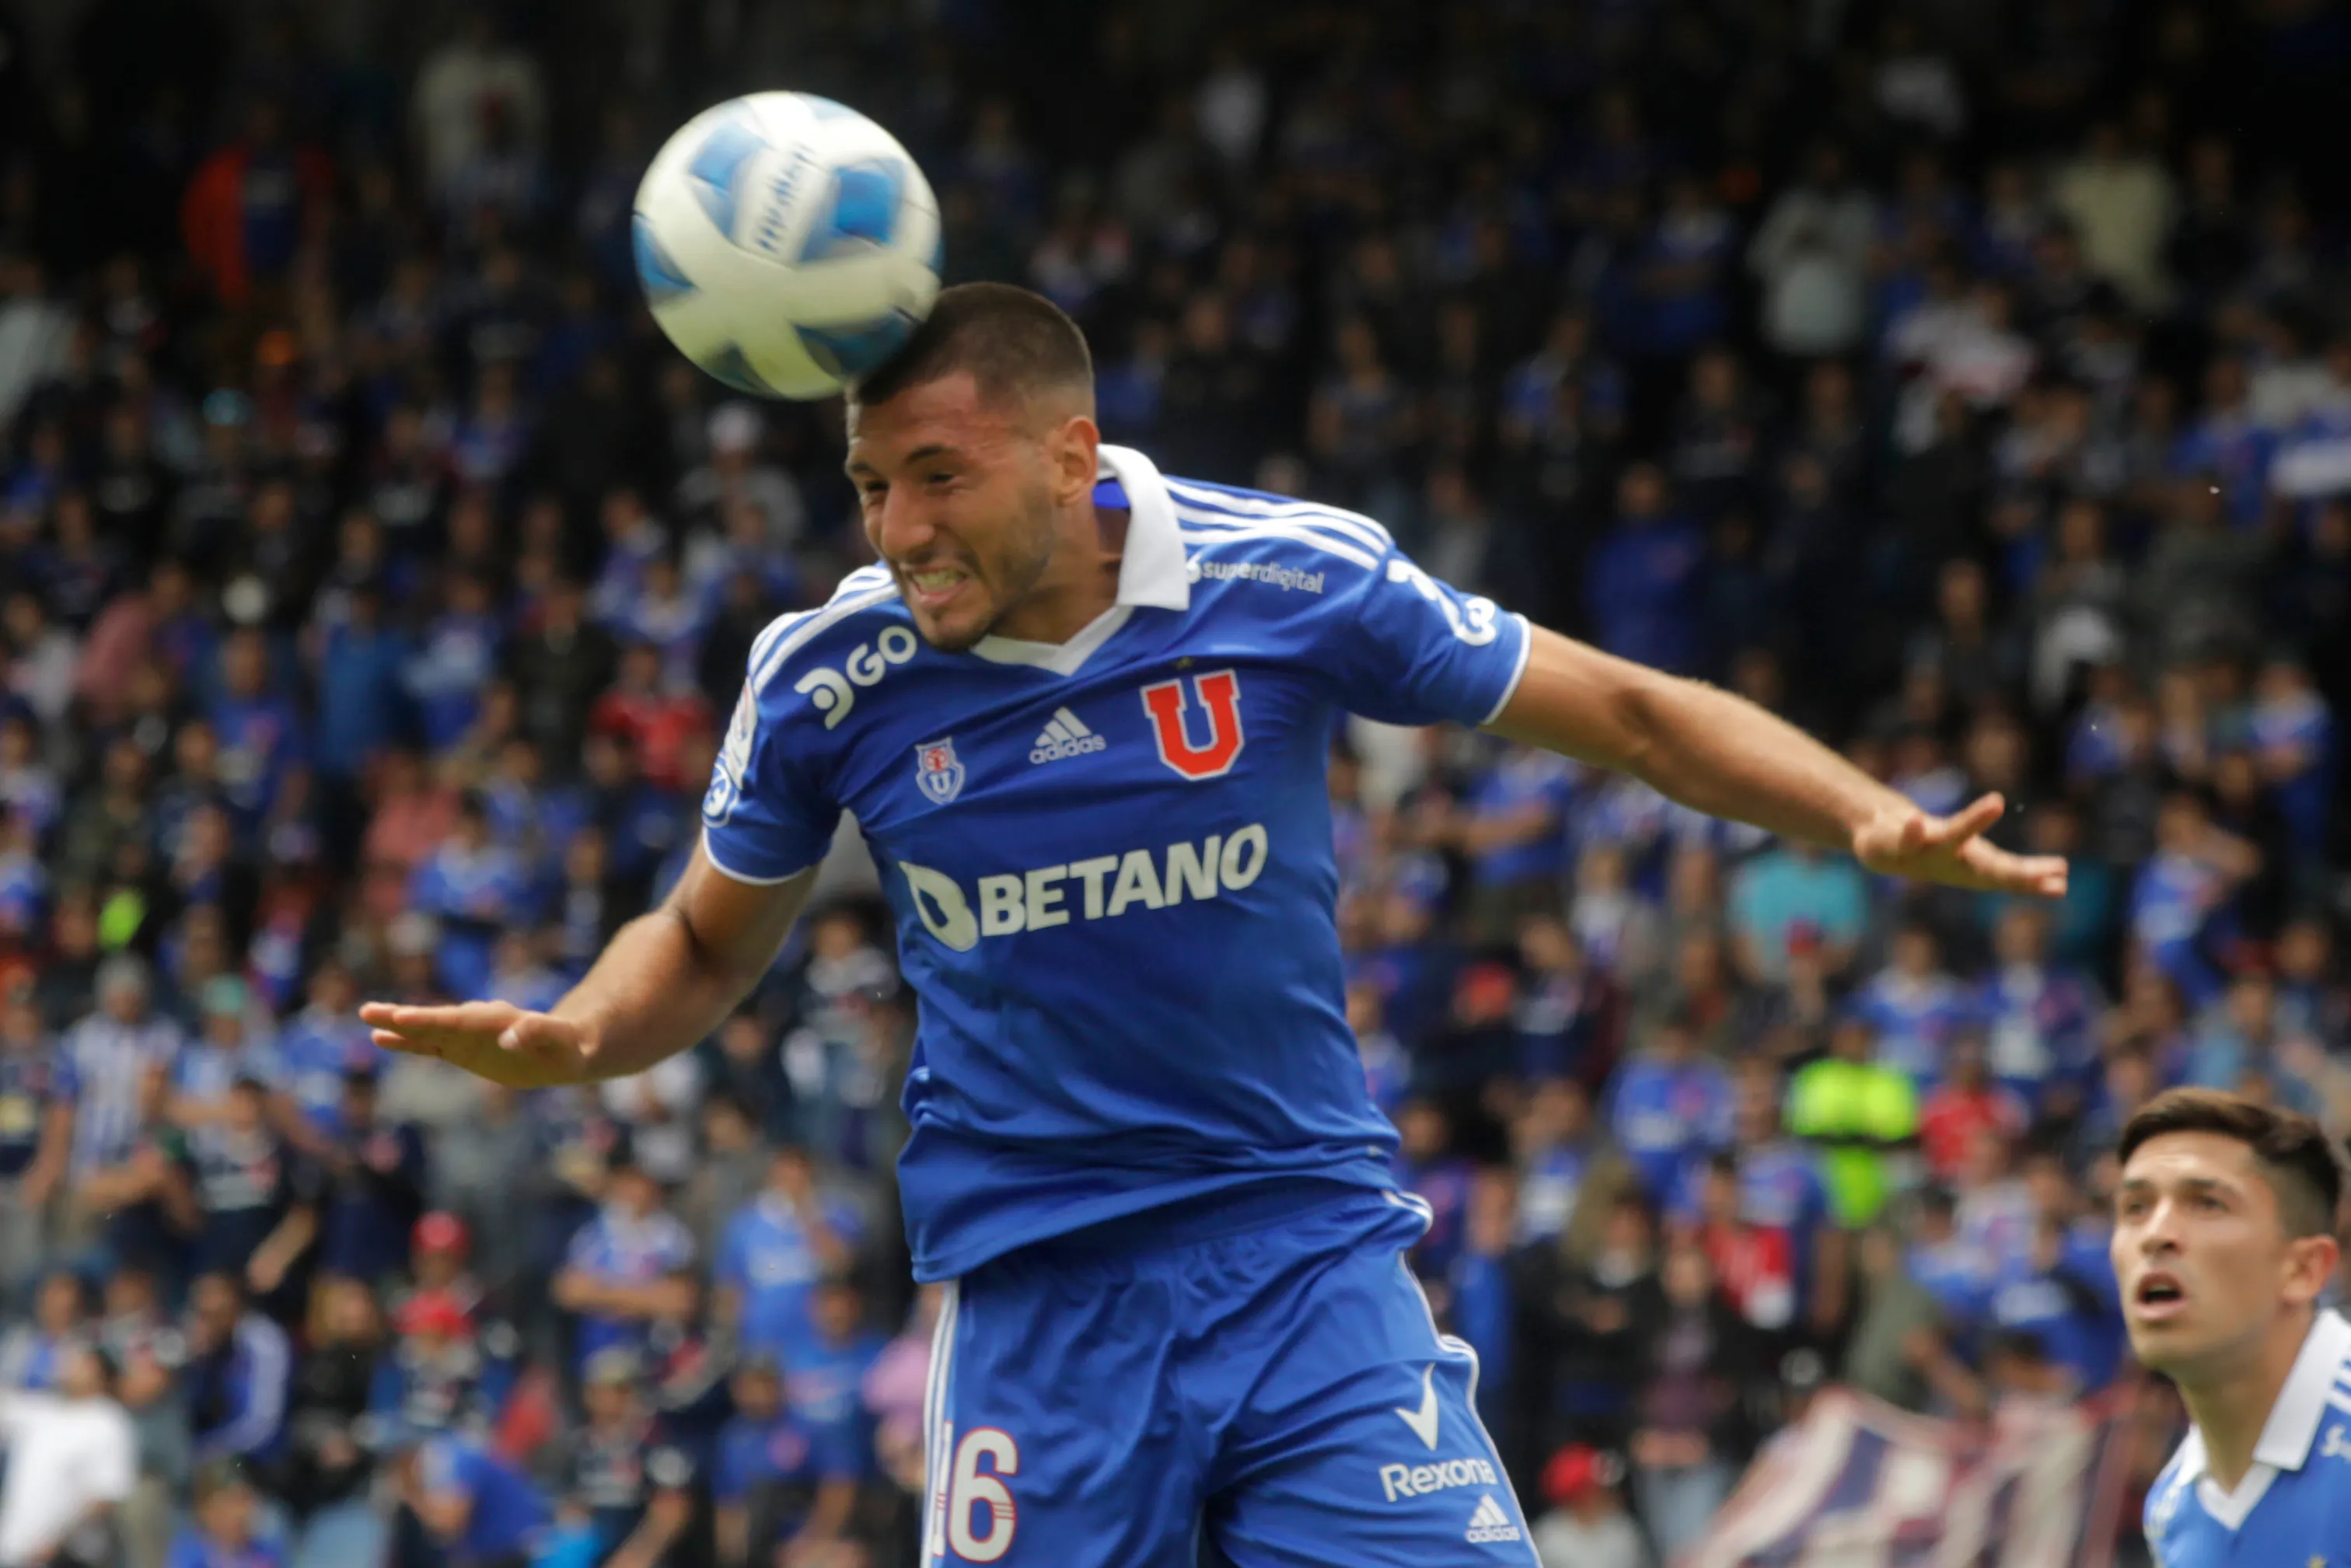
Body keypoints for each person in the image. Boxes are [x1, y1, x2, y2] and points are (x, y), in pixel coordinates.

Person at [365, 282, 2066, 1565]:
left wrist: (1857, 812)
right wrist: (582, 1031)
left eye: (938, 478)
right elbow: (710, 939)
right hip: (1040, 1300)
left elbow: (1622, 710)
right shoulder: (831, 673)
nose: (900, 529)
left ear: (1070, 452)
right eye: (873, 484)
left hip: (1307, 1257)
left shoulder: (1292, 581)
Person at [2116, 1088, 2350, 1565]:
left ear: (2304, 1269)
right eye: (2135, 1208)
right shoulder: (2170, 1508)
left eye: (2207, 1203)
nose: (2155, 1234)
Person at [0, 1342, 137, 1568]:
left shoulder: (109, 1422)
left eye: (83, 1362)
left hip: (64, 1558)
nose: (72, 1365)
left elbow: (105, 1498)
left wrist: (57, 1544)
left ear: (103, 1375)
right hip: (14, 1551)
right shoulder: (44, 1410)